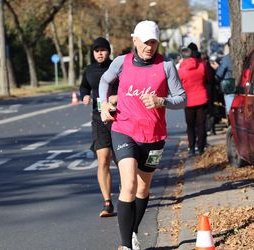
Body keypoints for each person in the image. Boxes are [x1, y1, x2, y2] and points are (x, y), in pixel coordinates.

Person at [99, 20, 186, 250]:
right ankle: (126, 245)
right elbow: (105, 80)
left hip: (154, 137)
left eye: (153, 42)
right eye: (145, 42)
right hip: (124, 130)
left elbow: (182, 98)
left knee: (142, 189)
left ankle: (133, 231)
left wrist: (161, 101)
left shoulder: (166, 66)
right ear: (134, 40)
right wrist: (103, 104)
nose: (149, 46)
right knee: (128, 185)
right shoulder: (122, 62)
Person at [79, 37, 118, 217]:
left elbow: (127, 87)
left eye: (103, 50)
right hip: (99, 118)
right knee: (103, 159)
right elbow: (84, 87)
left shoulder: (116, 67)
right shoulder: (89, 70)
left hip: (119, 118)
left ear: (108, 51)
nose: (100, 53)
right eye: (97, 50)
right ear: (93, 53)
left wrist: (116, 97)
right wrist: (85, 96)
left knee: (121, 161)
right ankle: (107, 202)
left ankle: (129, 195)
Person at [178, 46, 210, 156]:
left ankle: (191, 148)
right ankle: (201, 147)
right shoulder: (202, 65)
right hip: (202, 98)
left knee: (190, 126)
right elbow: (208, 79)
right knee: (201, 125)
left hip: (189, 101)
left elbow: (178, 85)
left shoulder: (182, 70)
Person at [210, 38, 233, 115]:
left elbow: (219, 75)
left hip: (230, 87)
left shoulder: (226, 59)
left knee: (230, 109)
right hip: (244, 88)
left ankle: (231, 123)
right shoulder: (245, 56)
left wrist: (216, 68)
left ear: (229, 46)